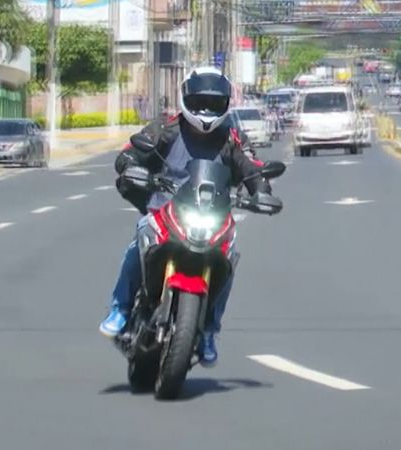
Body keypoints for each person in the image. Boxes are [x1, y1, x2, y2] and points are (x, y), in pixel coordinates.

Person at [98, 66, 281, 366]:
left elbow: (252, 167)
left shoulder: (231, 137)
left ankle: (209, 330)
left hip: (212, 215)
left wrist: (261, 189)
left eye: (213, 103)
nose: (206, 110)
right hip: (164, 209)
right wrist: (131, 165)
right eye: (200, 102)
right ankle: (119, 309)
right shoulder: (167, 127)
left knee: (229, 258)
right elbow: (132, 151)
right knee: (138, 240)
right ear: (186, 99)